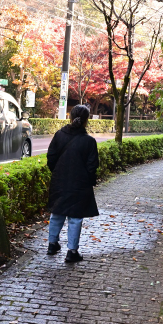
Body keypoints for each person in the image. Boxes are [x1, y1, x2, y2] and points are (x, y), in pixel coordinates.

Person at [46, 104, 99, 263]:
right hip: (79, 183)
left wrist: (57, 173)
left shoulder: (59, 135)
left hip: (59, 181)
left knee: (57, 213)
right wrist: (89, 181)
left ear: (70, 116)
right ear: (86, 121)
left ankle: (52, 244)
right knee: (75, 217)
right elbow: (92, 166)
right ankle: (72, 251)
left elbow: (51, 158)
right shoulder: (89, 141)